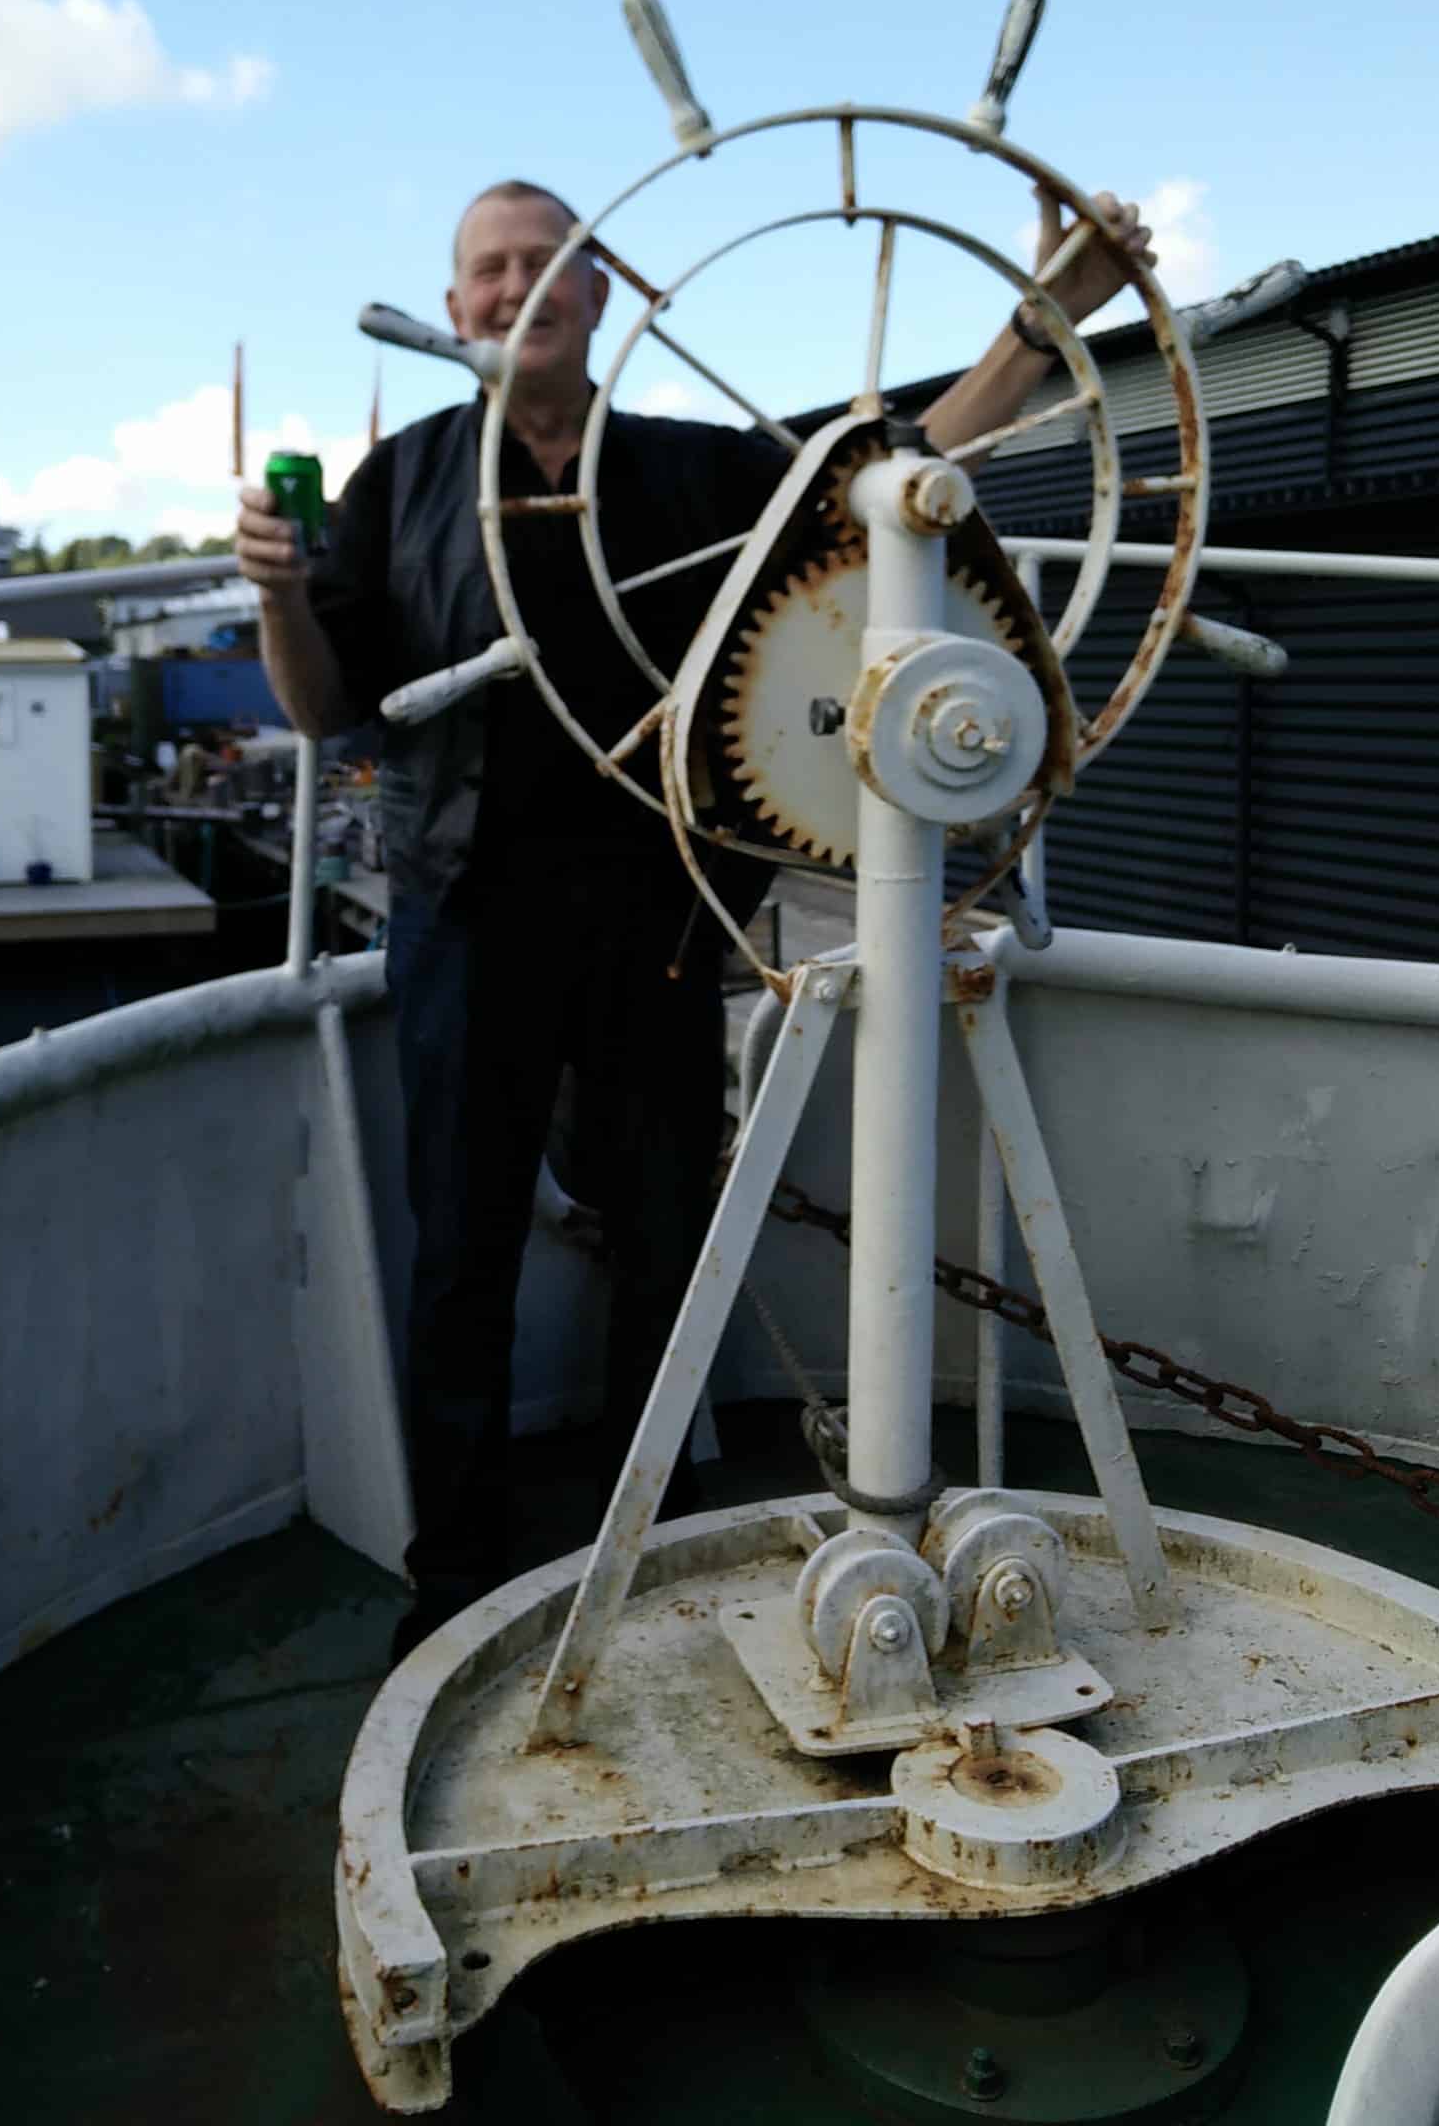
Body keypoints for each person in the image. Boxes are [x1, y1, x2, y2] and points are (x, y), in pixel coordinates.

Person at [237, 178, 1152, 1657]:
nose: (516, 288)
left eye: (546, 262)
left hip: (658, 908)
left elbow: (895, 476)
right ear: (458, 304)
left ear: (601, 290)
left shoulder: (690, 474)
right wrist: (274, 595)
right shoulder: (394, 486)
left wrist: (1053, 313)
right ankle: (453, 1576)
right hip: (465, 915)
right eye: (489, 271)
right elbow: (324, 706)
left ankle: (639, 1550)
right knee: (459, 1252)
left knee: (669, 1236)